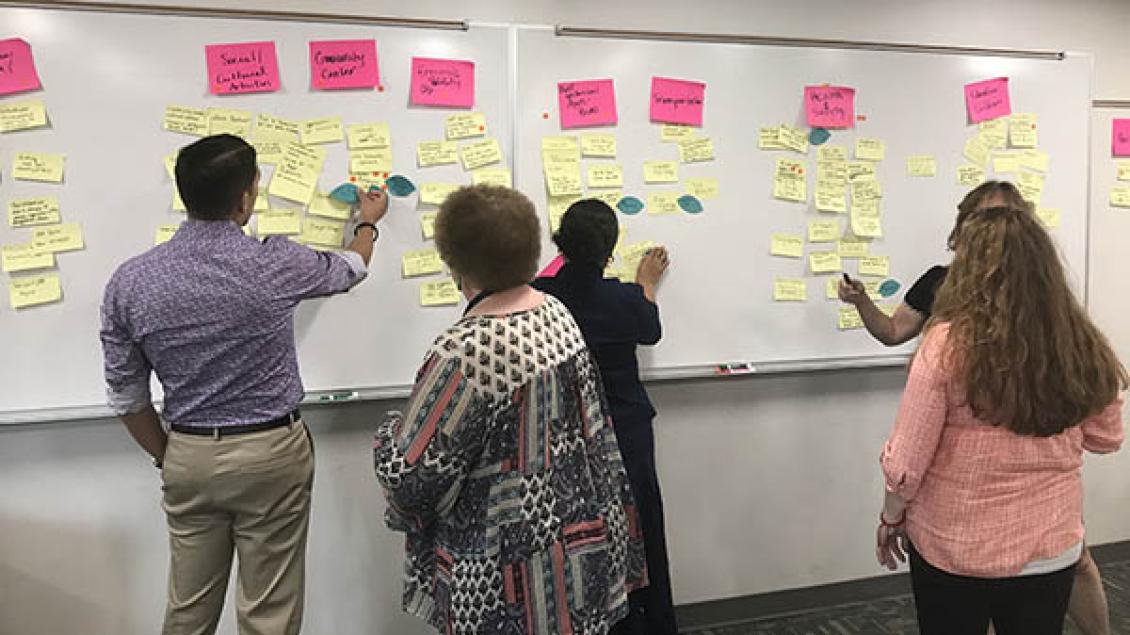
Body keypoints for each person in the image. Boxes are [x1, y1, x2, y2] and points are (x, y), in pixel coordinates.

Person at [100, 134, 389, 635]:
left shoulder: (131, 281)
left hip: (188, 451)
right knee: (268, 609)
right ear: (244, 198)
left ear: (186, 194)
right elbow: (352, 267)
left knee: (188, 607)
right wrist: (367, 222)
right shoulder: (273, 261)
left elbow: (127, 396)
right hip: (271, 453)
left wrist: (167, 454)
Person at [372, 185, 646, 634]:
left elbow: (413, 483)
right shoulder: (556, 312)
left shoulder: (467, 349)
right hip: (575, 557)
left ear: (452, 259)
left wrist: (388, 433)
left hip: (505, 577)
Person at [845, 181, 1115, 635]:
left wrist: (890, 517)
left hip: (957, 547)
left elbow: (907, 463)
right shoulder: (1077, 337)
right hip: (1048, 544)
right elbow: (1106, 437)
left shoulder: (946, 343)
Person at [532, 199, 677, 635]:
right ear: (610, 249)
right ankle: (652, 623)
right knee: (643, 530)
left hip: (564, 435)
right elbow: (649, 328)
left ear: (561, 241)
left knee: (574, 535)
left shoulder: (540, 298)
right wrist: (647, 282)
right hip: (625, 431)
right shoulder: (624, 298)